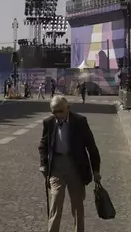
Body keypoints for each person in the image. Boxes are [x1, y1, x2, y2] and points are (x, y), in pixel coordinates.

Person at [38, 96, 101, 232]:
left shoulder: (80, 121)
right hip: (57, 166)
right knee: (56, 201)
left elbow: (91, 147)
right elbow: (43, 145)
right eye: (53, 111)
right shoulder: (49, 122)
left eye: (59, 111)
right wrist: (43, 163)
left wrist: (96, 170)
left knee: (77, 204)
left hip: (76, 166)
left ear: (68, 108)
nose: (56, 115)